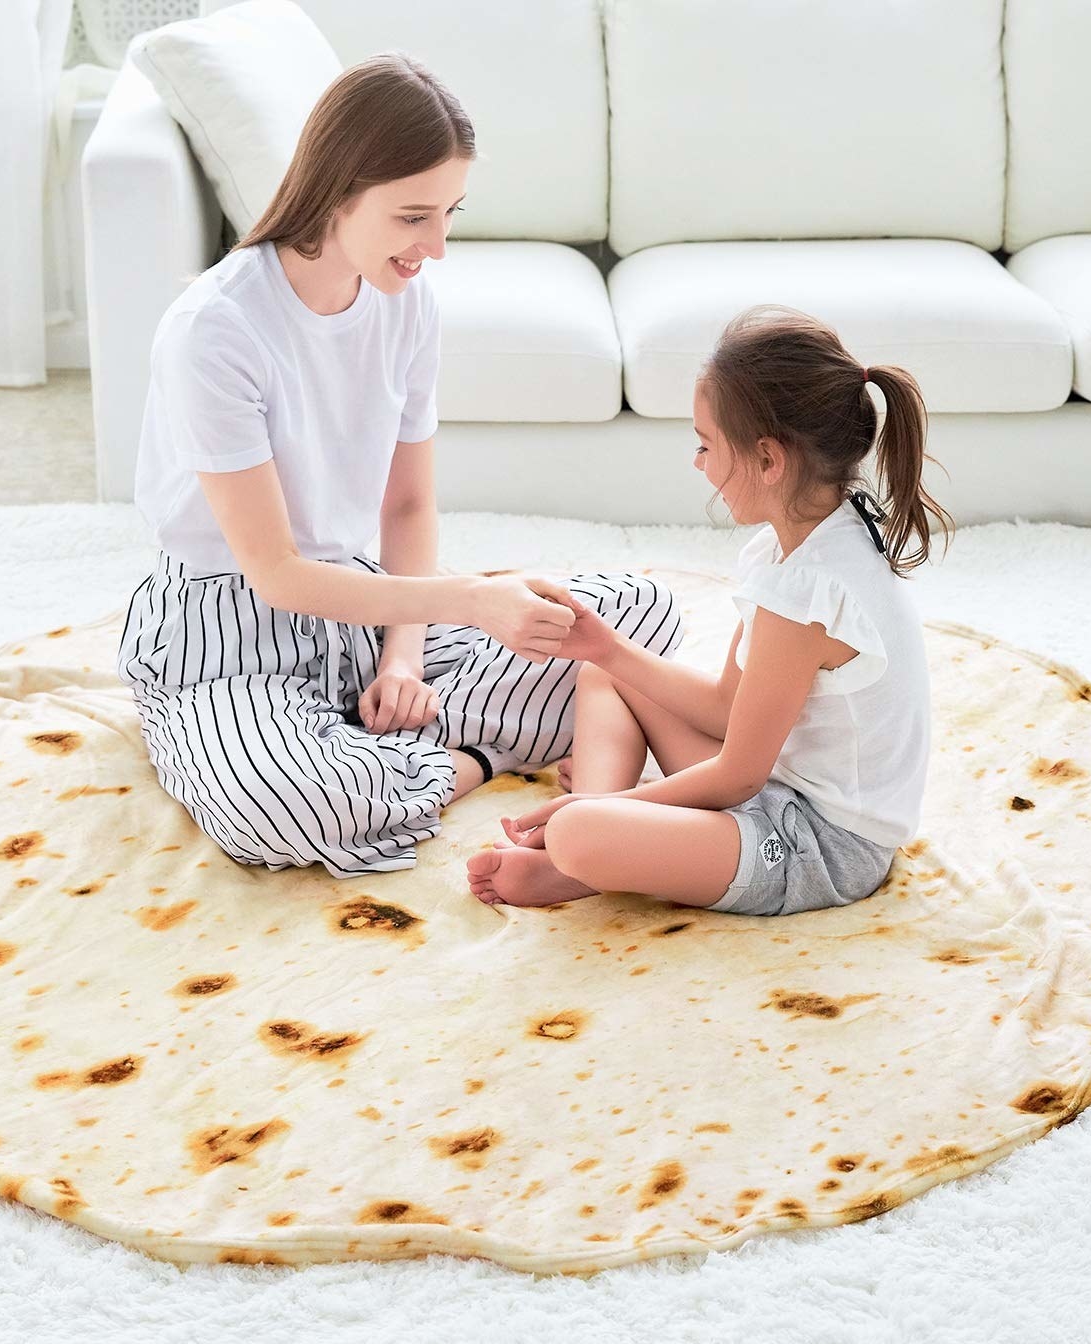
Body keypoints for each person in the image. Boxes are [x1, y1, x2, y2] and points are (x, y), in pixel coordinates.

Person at [116, 53, 684, 879]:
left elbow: (409, 508)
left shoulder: (406, 302)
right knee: (285, 806)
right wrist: (474, 602)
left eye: (450, 212)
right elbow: (274, 574)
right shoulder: (216, 330)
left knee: (634, 616)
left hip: (371, 604)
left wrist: (403, 658)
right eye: (415, 217)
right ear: (336, 191)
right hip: (230, 628)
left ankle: (371, 751)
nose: (438, 247)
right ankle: (467, 762)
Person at [468, 304, 955, 914]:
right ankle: (590, 844)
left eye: (705, 445)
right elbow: (728, 711)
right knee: (605, 675)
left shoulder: (808, 591)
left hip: (820, 846)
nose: (699, 464)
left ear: (769, 460)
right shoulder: (795, 546)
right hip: (778, 783)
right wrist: (607, 648)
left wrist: (600, 811)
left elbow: (737, 776)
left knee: (578, 829)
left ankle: (582, 853)